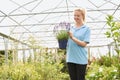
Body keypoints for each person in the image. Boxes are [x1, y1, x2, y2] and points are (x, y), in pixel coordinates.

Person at [66, 7, 91, 80]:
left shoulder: (86, 28)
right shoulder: (71, 28)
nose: (75, 17)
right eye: (74, 15)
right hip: (70, 58)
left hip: (81, 59)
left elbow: (84, 44)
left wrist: (73, 38)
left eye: (78, 15)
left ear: (83, 16)